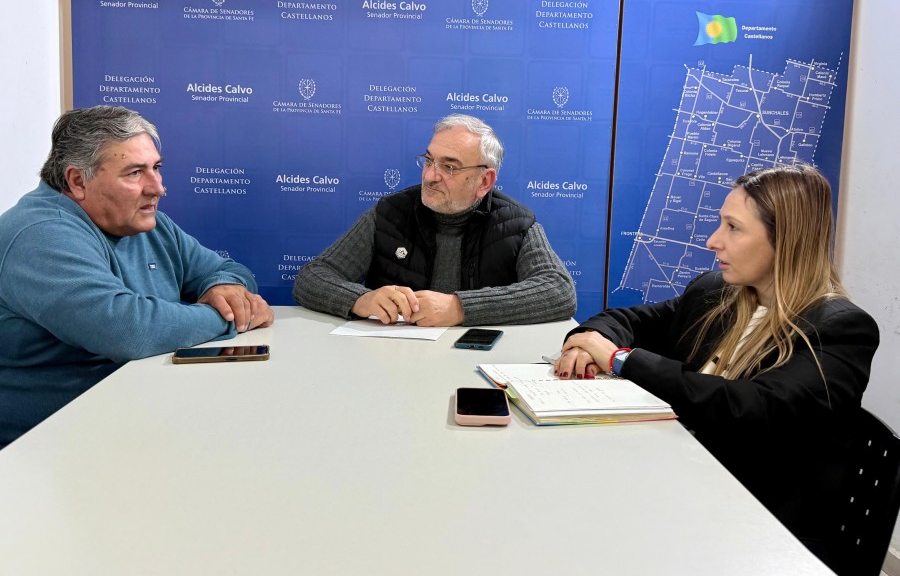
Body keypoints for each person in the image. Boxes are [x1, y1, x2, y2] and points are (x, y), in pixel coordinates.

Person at [554, 164, 878, 570]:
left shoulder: (840, 329)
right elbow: (629, 321)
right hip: (685, 486)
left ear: (787, 240)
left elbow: (754, 406)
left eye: (733, 228)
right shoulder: (717, 294)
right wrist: (584, 344)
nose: (713, 241)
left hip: (761, 527)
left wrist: (620, 359)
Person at [0, 106, 273, 448]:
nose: (157, 188)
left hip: (138, 423)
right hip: (50, 448)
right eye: (134, 173)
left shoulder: (144, 222)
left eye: (156, 168)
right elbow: (126, 330)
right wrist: (226, 314)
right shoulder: (40, 233)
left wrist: (227, 289)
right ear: (77, 181)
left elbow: (230, 271)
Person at [294, 114, 576, 326]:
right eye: (429, 161)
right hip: (393, 361)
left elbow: (559, 291)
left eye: (449, 167)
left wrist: (459, 307)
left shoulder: (515, 223)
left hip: (475, 365)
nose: (430, 176)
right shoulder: (390, 213)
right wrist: (359, 299)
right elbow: (313, 277)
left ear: (484, 180)